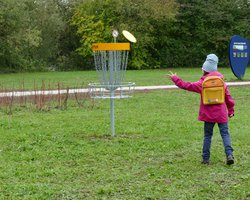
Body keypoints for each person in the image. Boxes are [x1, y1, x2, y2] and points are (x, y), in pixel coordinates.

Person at [168, 54, 235, 165]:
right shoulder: (222, 82)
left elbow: (187, 85)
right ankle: (229, 154)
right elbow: (228, 98)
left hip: (208, 115)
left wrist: (176, 79)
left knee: (207, 136)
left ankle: (205, 159)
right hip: (222, 114)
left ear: (204, 69)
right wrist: (231, 110)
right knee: (225, 134)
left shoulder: (202, 83)